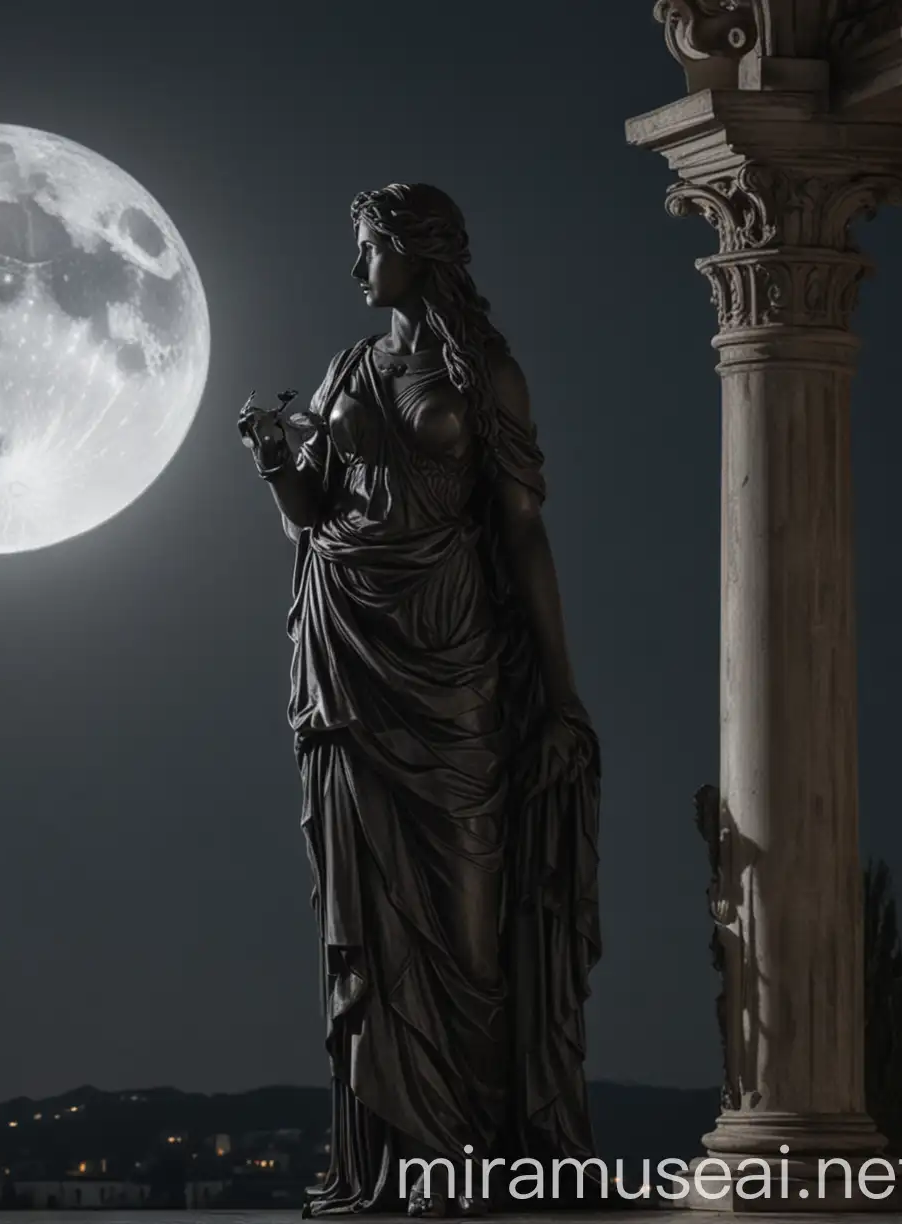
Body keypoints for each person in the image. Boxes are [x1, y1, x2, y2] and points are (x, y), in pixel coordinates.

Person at [239, 183, 602, 1217]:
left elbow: (523, 531)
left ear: (416, 250)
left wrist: (561, 692)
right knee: (370, 917)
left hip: (455, 656)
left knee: (470, 926)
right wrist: (274, 466)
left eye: (367, 249)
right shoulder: (348, 368)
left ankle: (475, 1162)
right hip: (348, 644)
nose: (357, 272)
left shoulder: (488, 375)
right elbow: (310, 515)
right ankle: (403, 1165)